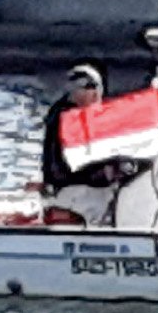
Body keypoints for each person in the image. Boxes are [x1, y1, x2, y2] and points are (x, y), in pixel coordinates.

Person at [41, 63, 127, 225]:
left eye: (96, 88)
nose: (95, 94)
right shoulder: (70, 118)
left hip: (77, 190)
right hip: (79, 192)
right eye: (88, 88)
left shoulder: (66, 115)